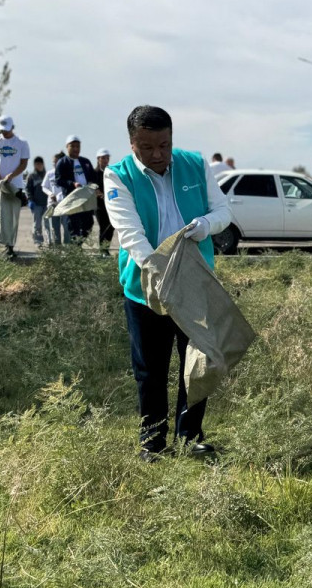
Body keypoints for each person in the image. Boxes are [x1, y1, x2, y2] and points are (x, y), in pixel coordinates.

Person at [103, 105, 233, 463]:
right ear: (132, 143)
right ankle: (153, 442)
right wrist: (156, 269)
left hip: (195, 282)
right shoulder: (118, 176)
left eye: (164, 144)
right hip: (146, 287)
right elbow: (131, 234)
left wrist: (204, 227)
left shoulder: (193, 163)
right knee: (150, 367)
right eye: (148, 147)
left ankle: (191, 437)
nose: (159, 155)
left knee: (197, 362)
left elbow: (222, 212)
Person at [0, 116, 30, 258]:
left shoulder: (21, 143)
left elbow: (23, 163)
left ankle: (9, 246)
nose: (4, 132)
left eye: (6, 130)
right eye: (1, 130)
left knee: (11, 215)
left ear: (12, 127)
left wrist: (12, 175)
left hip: (13, 185)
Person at [54, 136, 94, 242]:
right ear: (67, 147)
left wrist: (92, 184)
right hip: (72, 198)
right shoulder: (62, 162)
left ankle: (80, 243)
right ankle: (76, 248)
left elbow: (93, 177)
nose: (76, 148)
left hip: (86, 197)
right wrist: (72, 184)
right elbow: (58, 180)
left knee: (89, 223)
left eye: (78, 146)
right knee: (73, 224)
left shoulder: (85, 162)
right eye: (73, 146)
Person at [90, 148, 115, 254]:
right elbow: (92, 186)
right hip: (99, 205)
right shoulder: (94, 173)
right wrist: (100, 194)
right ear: (98, 159)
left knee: (111, 226)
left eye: (107, 158)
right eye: (103, 158)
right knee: (103, 225)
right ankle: (102, 250)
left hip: (110, 204)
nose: (105, 160)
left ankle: (106, 248)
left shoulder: (111, 171)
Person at [43, 151, 68, 245]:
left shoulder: (68, 173)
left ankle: (67, 246)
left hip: (65, 204)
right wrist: (50, 194)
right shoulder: (50, 173)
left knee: (66, 226)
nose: (54, 163)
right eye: (53, 162)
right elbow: (44, 187)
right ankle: (57, 246)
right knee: (54, 226)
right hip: (52, 204)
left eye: (56, 161)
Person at [25, 157, 51, 247]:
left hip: (47, 203)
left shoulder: (47, 175)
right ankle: (38, 241)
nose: (39, 166)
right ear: (34, 165)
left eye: (40, 164)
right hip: (36, 204)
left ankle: (49, 241)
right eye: (37, 164)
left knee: (48, 224)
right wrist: (30, 200)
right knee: (37, 224)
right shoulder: (31, 176)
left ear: (43, 164)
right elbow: (28, 189)